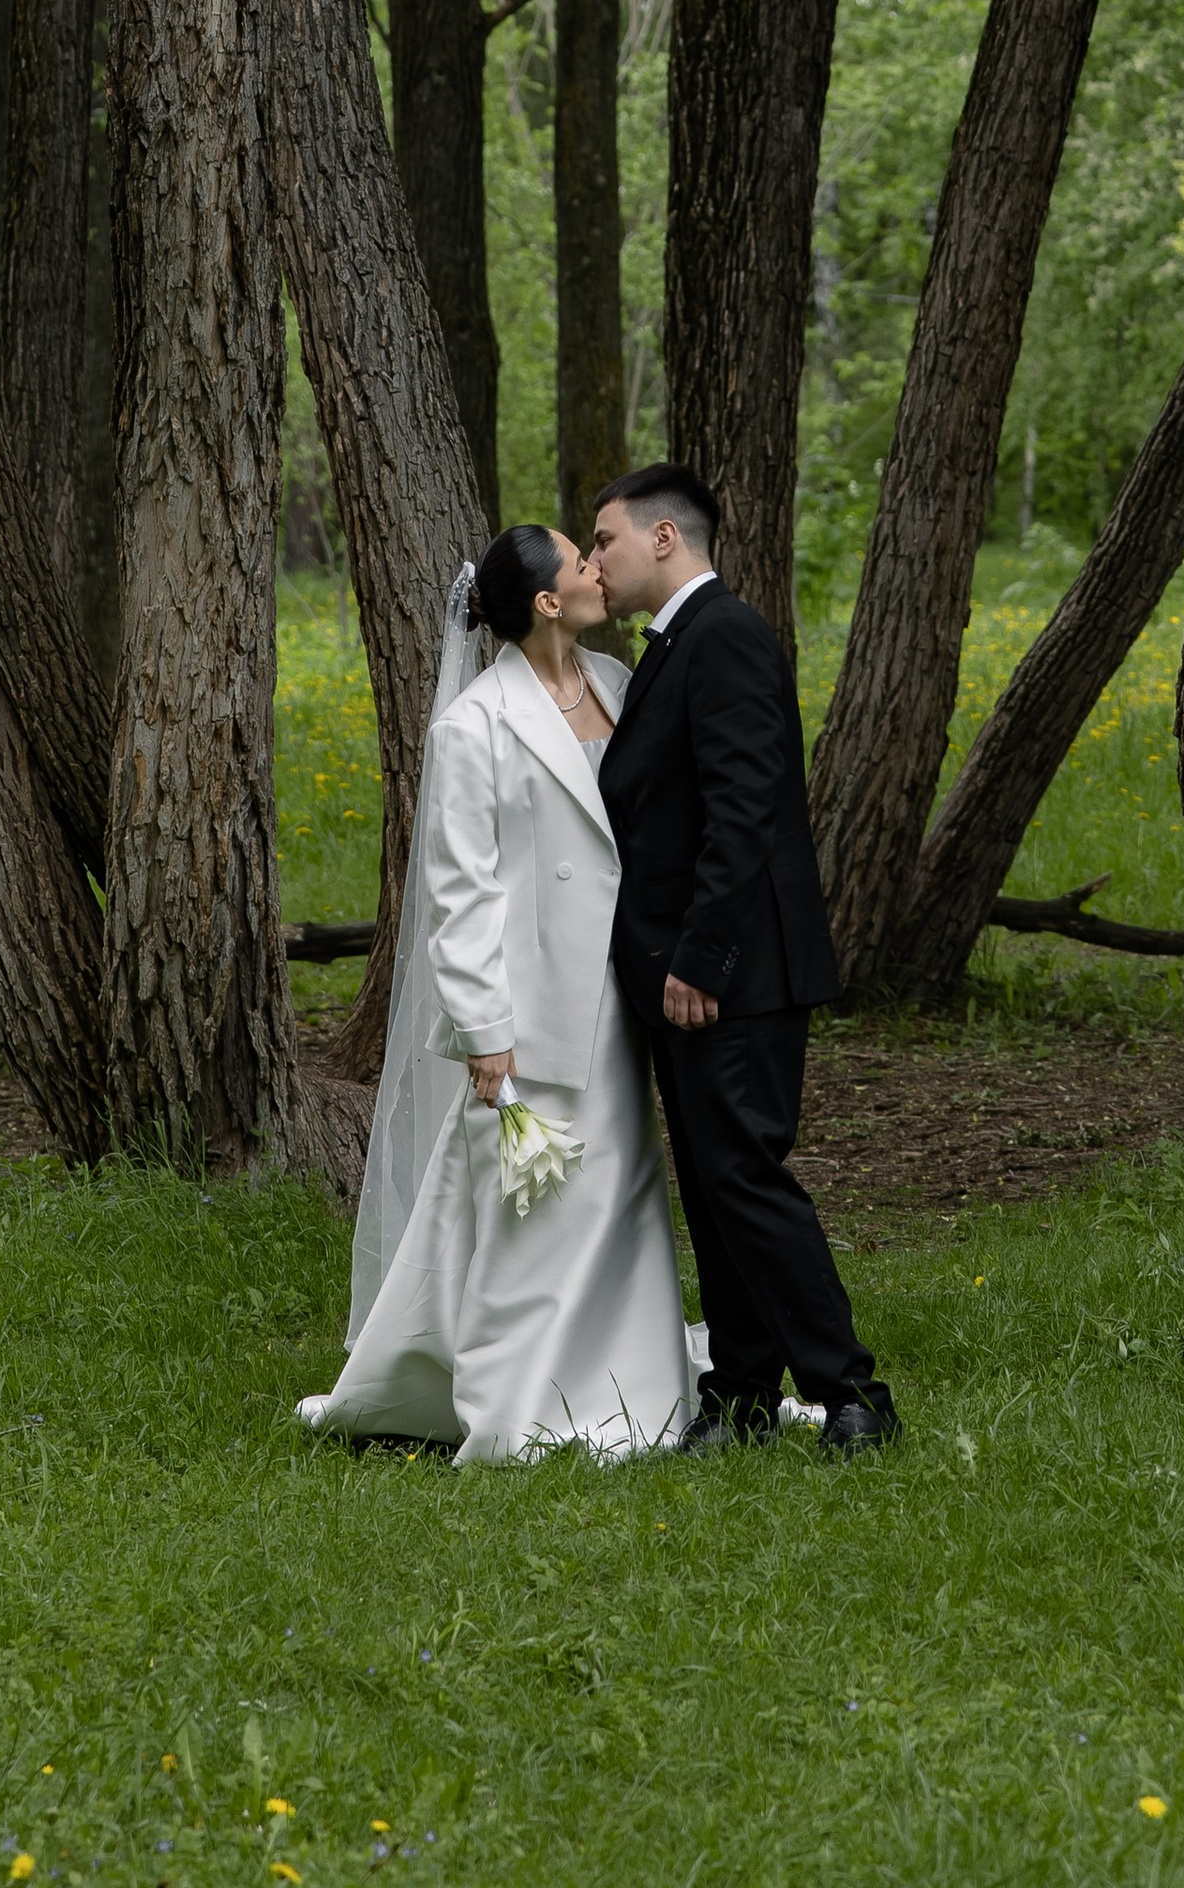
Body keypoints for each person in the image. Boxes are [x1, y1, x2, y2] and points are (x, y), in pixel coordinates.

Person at [298, 523, 696, 1464]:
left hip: (622, 983)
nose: (600, 567)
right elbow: (459, 894)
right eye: (580, 559)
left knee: (623, 1190)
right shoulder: (473, 725)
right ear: (549, 602)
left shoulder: (616, 682)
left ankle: (640, 1384)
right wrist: (485, 1033)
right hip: (532, 998)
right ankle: (521, 1405)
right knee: (533, 1210)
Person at [590, 461, 899, 1458]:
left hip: (734, 972)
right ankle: (738, 1397)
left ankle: (851, 1395)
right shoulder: (675, 647)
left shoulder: (724, 636)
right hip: (695, 971)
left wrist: (702, 958)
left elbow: (745, 808)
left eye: (605, 541)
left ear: (664, 538)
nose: (597, 558)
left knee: (747, 1178)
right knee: (716, 1184)